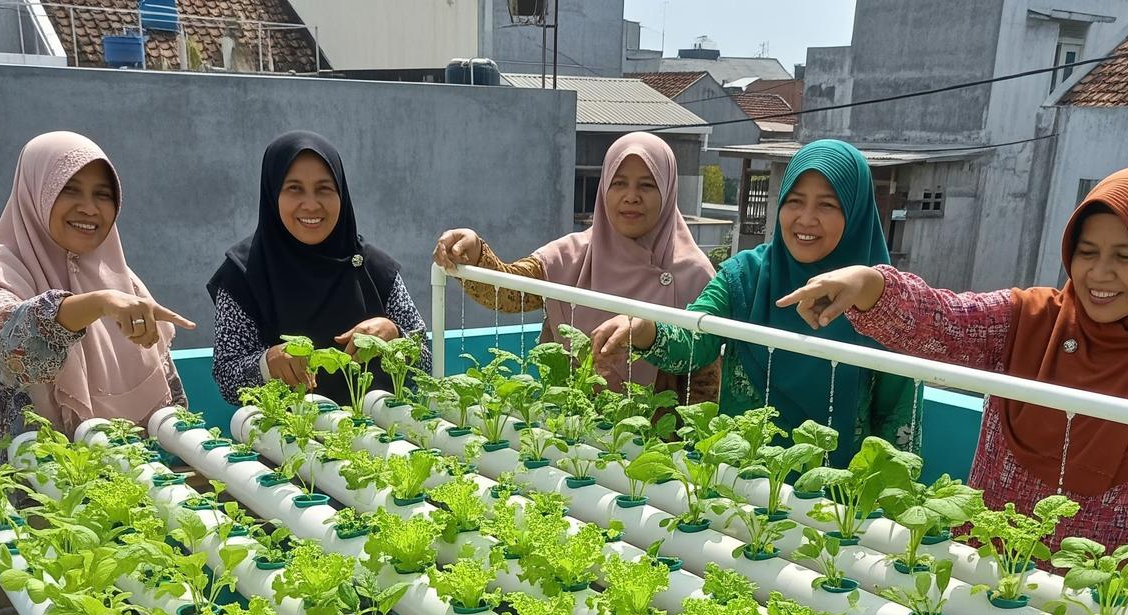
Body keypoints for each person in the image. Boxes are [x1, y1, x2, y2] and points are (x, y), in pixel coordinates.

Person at [780, 165, 1128, 576]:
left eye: (1126, 256)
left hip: (1098, 600)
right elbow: (946, 321)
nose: (1099, 273)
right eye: (1087, 252)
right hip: (980, 574)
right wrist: (869, 285)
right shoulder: (1032, 321)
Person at [592, 140, 922, 462]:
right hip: (741, 477)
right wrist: (645, 329)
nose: (806, 219)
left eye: (826, 205)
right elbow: (695, 340)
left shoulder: (882, 303)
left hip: (835, 488)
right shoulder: (746, 275)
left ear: (855, 213)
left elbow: (897, 417)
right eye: (794, 201)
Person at [433, 131, 719, 402]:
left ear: (668, 191)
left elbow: (705, 381)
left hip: (652, 432)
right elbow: (510, 292)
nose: (631, 196)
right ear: (603, 188)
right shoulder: (572, 255)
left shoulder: (694, 274)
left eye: (647, 185)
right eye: (618, 183)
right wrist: (474, 251)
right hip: (571, 424)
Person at [0, 131, 194, 447]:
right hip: (32, 477)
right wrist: (98, 304)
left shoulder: (124, 283)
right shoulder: (3, 271)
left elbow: (171, 403)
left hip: (130, 473)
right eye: (69, 190)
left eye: (102, 194)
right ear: (35, 193)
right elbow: (10, 340)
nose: (89, 208)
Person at [208, 131, 430, 406]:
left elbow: (426, 363)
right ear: (273, 193)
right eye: (294, 188)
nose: (312, 205)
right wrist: (267, 363)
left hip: (380, 429)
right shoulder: (243, 274)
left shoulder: (374, 268)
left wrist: (394, 333)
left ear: (341, 193)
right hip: (286, 431)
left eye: (324, 188)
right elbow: (227, 379)